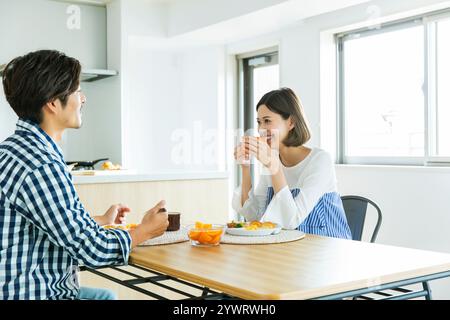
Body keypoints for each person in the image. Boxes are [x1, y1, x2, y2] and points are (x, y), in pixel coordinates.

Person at [0, 50, 169, 300]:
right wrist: (144, 231)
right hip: (32, 292)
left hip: (16, 286)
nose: (83, 99)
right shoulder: (42, 164)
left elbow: (47, 222)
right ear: (53, 102)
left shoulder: (11, 150)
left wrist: (100, 219)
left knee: (105, 296)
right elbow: (88, 249)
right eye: (77, 91)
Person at [232, 87, 351, 239]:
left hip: (327, 249)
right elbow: (253, 217)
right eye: (259, 122)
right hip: (290, 248)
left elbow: (292, 220)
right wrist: (245, 168)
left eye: (267, 121)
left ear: (291, 123)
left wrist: (273, 165)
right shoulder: (272, 162)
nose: (261, 129)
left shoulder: (320, 160)